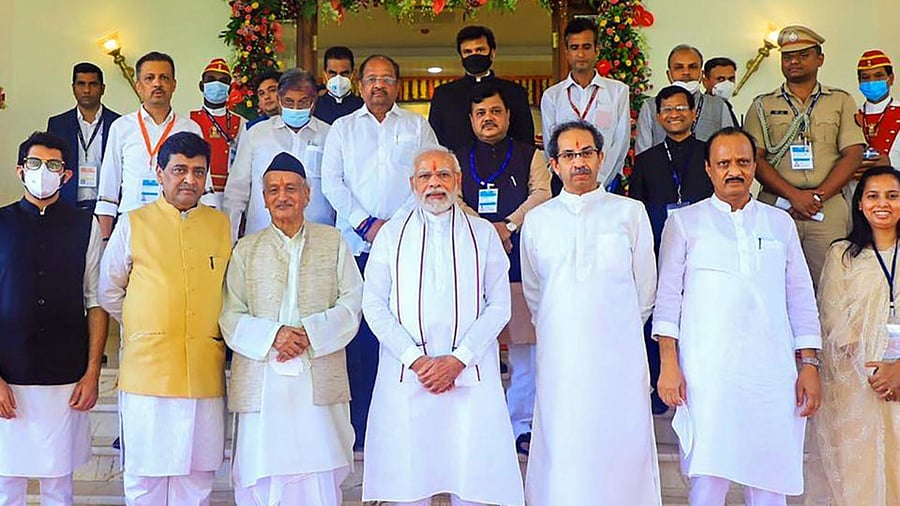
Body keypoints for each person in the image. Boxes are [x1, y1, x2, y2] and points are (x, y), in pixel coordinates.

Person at [654, 127, 822, 506]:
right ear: (709, 170)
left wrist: (808, 364)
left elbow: (800, 295)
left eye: (743, 162)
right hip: (707, 372)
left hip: (771, 373)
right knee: (708, 477)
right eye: (724, 163)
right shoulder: (685, 223)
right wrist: (669, 363)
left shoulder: (779, 223)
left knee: (769, 478)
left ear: (754, 168)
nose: (734, 170)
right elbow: (668, 299)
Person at [361, 146, 524, 506]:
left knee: (475, 481)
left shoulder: (483, 234)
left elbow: (499, 305)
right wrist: (417, 361)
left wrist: (457, 360)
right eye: (425, 176)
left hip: (470, 376)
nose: (434, 183)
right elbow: (372, 304)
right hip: (407, 376)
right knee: (407, 483)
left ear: (458, 180)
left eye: (443, 175)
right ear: (412, 183)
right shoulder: (390, 236)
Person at [520, 121, 660, 505]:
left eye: (586, 153)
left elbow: (645, 286)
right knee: (563, 434)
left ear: (601, 158)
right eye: (569, 155)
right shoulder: (539, 219)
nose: (578, 162)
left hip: (620, 350)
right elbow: (535, 291)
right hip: (561, 351)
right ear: (554, 164)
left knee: (621, 434)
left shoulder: (630, 212)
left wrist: (620, 328)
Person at [220, 151, 362, 506]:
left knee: (320, 469)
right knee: (263, 470)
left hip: (318, 370)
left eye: (291, 188)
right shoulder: (245, 249)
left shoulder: (333, 242)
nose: (282, 196)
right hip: (262, 376)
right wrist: (274, 336)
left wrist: (310, 333)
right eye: (273, 190)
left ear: (307, 193)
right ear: (263, 199)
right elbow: (229, 313)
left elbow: (353, 302)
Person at [99, 132, 232, 505]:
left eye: (197, 171)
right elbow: (109, 290)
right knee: (145, 480)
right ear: (159, 173)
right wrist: (147, 321)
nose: (189, 179)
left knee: (198, 477)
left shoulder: (221, 226)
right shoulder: (133, 222)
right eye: (179, 170)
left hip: (203, 372)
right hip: (148, 375)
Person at [321, 54, 438, 449]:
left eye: (387, 79)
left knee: (400, 328)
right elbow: (332, 183)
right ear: (360, 84)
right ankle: (359, 425)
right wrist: (366, 223)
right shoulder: (342, 128)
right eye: (371, 79)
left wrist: (396, 226)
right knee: (359, 336)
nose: (378, 86)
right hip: (356, 245)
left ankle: (399, 421)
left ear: (398, 85)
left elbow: (431, 176)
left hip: (405, 244)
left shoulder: (418, 127)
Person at [0, 132, 108, 506]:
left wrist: (93, 371)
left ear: (66, 175)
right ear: (20, 170)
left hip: (66, 373)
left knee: (59, 485)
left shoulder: (86, 226)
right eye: (35, 164)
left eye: (53, 165)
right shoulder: (0, 223)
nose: (43, 172)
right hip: (9, 372)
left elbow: (95, 301)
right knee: (6, 482)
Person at [456, 83, 551, 456]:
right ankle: (485, 425)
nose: (488, 119)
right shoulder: (458, 157)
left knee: (525, 350)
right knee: (479, 348)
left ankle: (520, 425)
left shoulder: (530, 155)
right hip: (474, 263)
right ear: (472, 120)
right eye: (481, 113)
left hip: (520, 261)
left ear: (508, 116)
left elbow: (542, 193)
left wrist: (507, 226)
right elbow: (453, 198)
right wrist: (484, 229)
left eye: (495, 111)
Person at [743, 25, 865, 285]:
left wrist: (817, 196)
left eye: (802, 55)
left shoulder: (841, 101)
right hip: (778, 205)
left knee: (830, 284)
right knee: (772, 281)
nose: (793, 61)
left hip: (828, 207)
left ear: (820, 59)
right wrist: (794, 196)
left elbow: (853, 153)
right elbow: (755, 158)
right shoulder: (762, 104)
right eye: (787, 57)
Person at [816, 165, 900, 506]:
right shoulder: (843, 256)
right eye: (873, 196)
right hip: (859, 383)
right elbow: (835, 319)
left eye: (893, 196)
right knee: (862, 471)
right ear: (860, 204)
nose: (883, 204)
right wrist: (877, 375)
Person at [630, 85, 713, 415]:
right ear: (658, 116)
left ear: (694, 113)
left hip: (704, 245)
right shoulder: (647, 160)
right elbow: (636, 206)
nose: (674, 114)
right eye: (667, 109)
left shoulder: (709, 153)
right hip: (658, 246)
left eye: (681, 108)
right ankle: (658, 380)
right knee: (659, 311)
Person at [95, 51, 211, 239]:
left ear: (174, 85)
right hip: (131, 226)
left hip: (179, 226)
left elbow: (205, 190)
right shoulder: (121, 127)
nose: (157, 83)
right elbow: (108, 190)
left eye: (164, 78)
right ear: (139, 86)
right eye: (150, 78)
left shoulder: (190, 128)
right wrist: (106, 239)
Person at [225, 69, 334, 242]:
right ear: (279, 101)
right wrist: (230, 237)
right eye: (289, 102)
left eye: (303, 102)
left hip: (317, 239)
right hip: (261, 237)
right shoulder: (257, 134)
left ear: (314, 102)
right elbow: (237, 190)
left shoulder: (330, 135)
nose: (296, 108)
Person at [540, 17, 630, 189]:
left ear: (597, 50)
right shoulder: (552, 96)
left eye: (586, 47)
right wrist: (571, 182)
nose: (580, 54)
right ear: (566, 52)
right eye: (574, 48)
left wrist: (599, 181)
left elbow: (620, 143)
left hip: (607, 184)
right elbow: (551, 146)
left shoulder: (618, 92)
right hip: (566, 186)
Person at [428, 25, 534, 152]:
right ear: (460, 56)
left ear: (492, 52)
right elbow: (434, 142)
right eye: (468, 52)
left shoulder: (515, 92)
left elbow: (525, 139)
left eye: (480, 50)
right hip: (458, 167)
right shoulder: (444, 95)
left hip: (507, 166)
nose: (474, 55)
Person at [46, 62, 121, 211]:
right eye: (81, 84)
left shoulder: (118, 123)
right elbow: (51, 167)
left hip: (107, 206)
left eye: (93, 84)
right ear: (73, 88)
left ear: (102, 88)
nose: (87, 90)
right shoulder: (57, 124)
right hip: (67, 206)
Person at [636, 44, 734, 155]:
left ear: (701, 74)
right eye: (679, 67)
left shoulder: (718, 106)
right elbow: (643, 153)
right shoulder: (651, 106)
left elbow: (730, 148)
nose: (686, 72)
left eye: (692, 67)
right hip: (662, 170)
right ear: (669, 74)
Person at [190, 58, 246, 205]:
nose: (217, 84)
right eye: (211, 79)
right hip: (197, 194)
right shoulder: (188, 120)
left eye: (223, 80)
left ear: (229, 87)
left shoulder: (241, 123)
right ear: (201, 85)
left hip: (231, 196)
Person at [855, 50, 900, 168]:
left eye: (878, 76)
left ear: (891, 79)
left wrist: (890, 164)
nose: (871, 81)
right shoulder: (851, 114)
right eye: (865, 77)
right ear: (859, 82)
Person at [314, 46, 364, 125]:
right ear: (324, 75)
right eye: (332, 73)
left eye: (344, 73)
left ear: (353, 74)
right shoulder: (314, 107)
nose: (338, 79)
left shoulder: (363, 107)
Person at [702, 57, 739, 125]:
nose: (727, 83)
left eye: (731, 79)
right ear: (705, 82)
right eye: (720, 79)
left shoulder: (726, 106)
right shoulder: (701, 109)